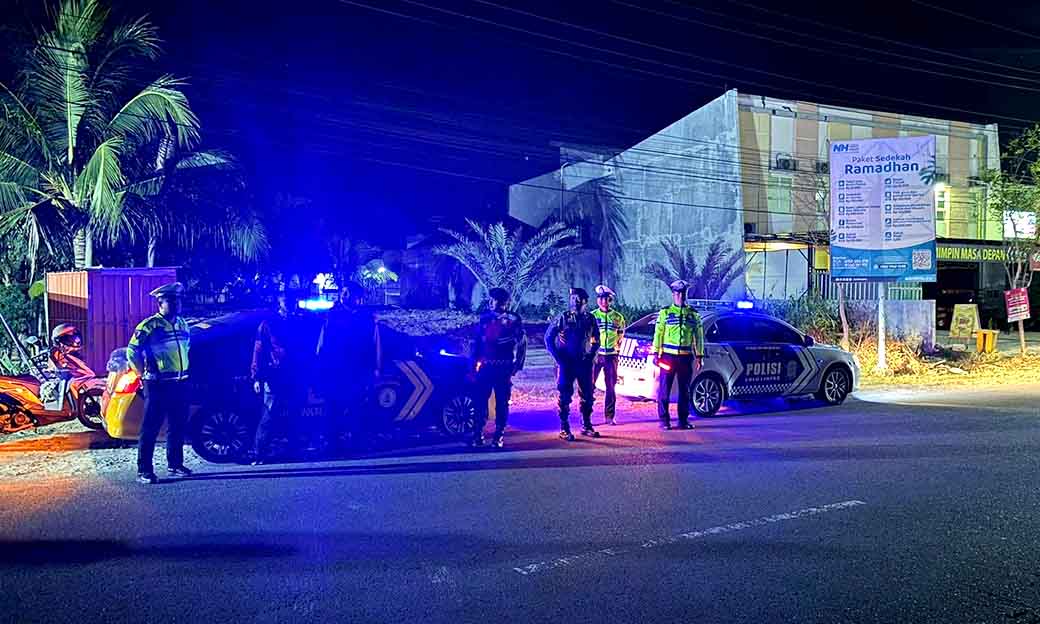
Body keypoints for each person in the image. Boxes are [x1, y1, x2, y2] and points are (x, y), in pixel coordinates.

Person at [127, 282, 192, 484]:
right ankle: (144, 470)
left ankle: (175, 464)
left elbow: (186, 348)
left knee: (177, 425)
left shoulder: (182, 323)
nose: (176, 304)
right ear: (160, 303)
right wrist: (142, 373)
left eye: (178, 300)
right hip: (157, 385)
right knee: (151, 428)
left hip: (180, 383)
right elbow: (132, 352)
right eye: (171, 301)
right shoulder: (149, 326)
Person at [316, 281, 381, 449]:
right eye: (343, 293)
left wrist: (375, 368)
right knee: (333, 408)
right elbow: (322, 345)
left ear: (357, 297)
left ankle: (356, 442)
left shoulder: (366, 318)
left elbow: (374, 344)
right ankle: (333, 444)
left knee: (356, 407)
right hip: (336, 371)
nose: (344, 296)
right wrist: (321, 368)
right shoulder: (332, 316)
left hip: (357, 372)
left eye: (347, 293)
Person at [249, 292, 307, 464]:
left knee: (296, 414)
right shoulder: (268, 325)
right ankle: (259, 454)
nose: (289, 304)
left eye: (292, 301)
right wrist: (256, 376)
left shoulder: (300, 322)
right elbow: (257, 351)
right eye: (285, 301)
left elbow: (307, 351)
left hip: (295, 375)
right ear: (279, 303)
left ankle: (294, 451)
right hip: (275, 376)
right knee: (269, 415)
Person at [471, 287, 527, 448]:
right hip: (486, 367)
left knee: (502, 402)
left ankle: (498, 435)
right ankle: (477, 434)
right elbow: (477, 342)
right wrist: (473, 364)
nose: (490, 302)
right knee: (480, 401)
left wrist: (518, 364)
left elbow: (522, 343)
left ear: (502, 302)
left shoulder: (513, 319)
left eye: (493, 300)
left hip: (503, 368)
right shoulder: (484, 318)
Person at [545, 287, 600, 441]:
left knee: (588, 395)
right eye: (573, 298)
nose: (575, 302)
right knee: (565, 395)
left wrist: (591, 355)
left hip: (584, 363)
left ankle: (586, 425)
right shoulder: (563, 318)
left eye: (578, 299)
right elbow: (548, 338)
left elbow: (596, 339)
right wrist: (558, 357)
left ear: (585, 302)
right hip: (566, 364)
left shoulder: (590, 319)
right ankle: (564, 427)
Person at [652, 280, 705, 431]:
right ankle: (664, 420)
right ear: (673, 295)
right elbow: (658, 334)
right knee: (664, 389)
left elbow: (699, 337)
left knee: (685, 390)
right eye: (677, 293)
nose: (680, 296)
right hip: (668, 357)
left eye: (682, 293)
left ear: (685, 294)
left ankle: (682, 420)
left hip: (685, 356)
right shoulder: (665, 312)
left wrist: (699, 356)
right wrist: (655, 353)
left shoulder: (693, 315)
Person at [591, 285, 625, 426]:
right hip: (596, 356)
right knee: (589, 386)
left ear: (610, 300)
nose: (603, 301)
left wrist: (615, 349)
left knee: (610, 387)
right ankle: (586, 416)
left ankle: (609, 416)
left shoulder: (618, 318)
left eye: (606, 299)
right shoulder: (592, 316)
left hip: (611, 356)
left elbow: (620, 335)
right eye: (600, 299)